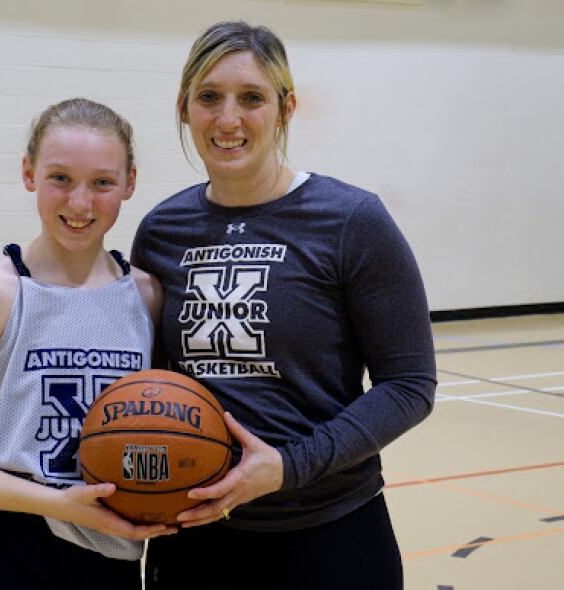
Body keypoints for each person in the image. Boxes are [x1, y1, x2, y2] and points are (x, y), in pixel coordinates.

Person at [131, 21, 437, 589]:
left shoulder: (351, 220)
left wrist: (289, 467)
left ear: (286, 107)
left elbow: (409, 384)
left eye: (251, 98)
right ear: (183, 108)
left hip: (331, 533)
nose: (228, 119)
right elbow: (152, 380)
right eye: (209, 97)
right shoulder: (162, 230)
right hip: (198, 534)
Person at [0, 98, 174, 590]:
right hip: (13, 540)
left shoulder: (146, 296)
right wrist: (57, 503)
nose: (79, 202)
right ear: (29, 173)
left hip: (114, 546)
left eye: (102, 183)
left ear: (130, 183)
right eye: (60, 178)